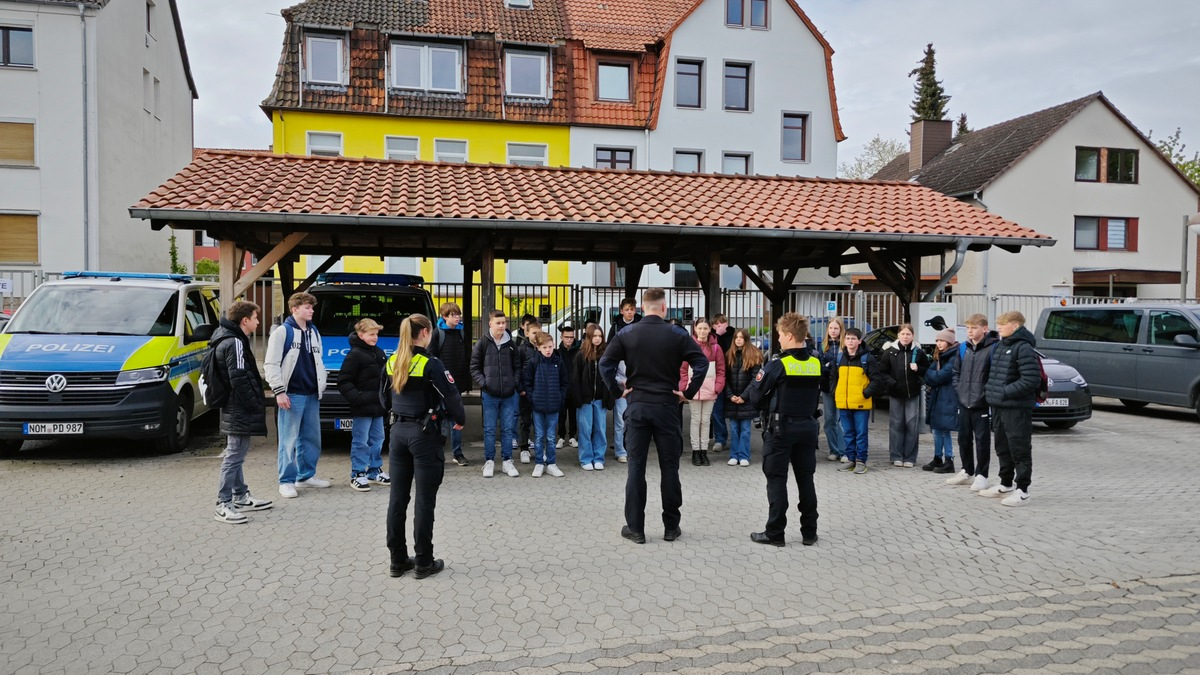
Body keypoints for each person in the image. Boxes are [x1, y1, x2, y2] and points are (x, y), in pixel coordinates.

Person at [600, 288, 708, 545]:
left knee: (636, 469)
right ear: (664, 308)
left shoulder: (626, 333)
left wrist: (619, 391)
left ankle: (636, 529)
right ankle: (671, 527)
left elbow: (605, 364)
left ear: (641, 308)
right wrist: (688, 392)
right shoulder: (677, 334)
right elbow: (701, 363)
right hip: (667, 407)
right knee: (670, 468)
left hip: (637, 407)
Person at [381, 314, 466, 579]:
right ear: (427, 332)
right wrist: (459, 421)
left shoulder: (392, 360)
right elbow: (451, 396)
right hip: (423, 434)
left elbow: (383, 398)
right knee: (424, 500)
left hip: (397, 434)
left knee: (398, 498)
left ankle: (397, 561)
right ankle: (423, 562)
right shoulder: (431, 363)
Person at [740, 313, 823, 546]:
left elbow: (755, 396)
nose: (778, 340)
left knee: (776, 479)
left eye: (779, 335)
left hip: (781, 429)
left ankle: (775, 533)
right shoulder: (815, 362)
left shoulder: (778, 364)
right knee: (806, 479)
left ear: (788, 335)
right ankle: (809, 532)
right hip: (807, 427)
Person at [211, 301, 273, 524]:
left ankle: (240, 496)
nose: (258, 321)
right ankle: (223, 503)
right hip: (238, 406)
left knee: (236, 452)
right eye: (256, 318)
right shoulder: (235, 342)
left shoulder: (226, 336)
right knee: (234, 454)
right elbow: (238, 376)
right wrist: (253, 403)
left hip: (234, 405)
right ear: (245, 320)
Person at [265, 292, 329, 499]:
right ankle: (286, 481)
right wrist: (279, 391)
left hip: (312, 393)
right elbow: (271, 363)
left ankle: (305, 476)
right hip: (292, 394)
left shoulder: (314, 331)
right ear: (294, 309)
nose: (311, 310)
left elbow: (319, 361)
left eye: (312, 307)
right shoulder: (283, 332)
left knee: (311, 438)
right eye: (307, 307)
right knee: (289, 440)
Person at [981, 311, 1039, 506]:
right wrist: (990, 391)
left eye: (1002, 324)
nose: (998, 327)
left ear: (1015, 326)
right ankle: (1005, 483)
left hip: (1016, 408)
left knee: (1019, 447)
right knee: (1002, 446)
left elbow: (1031, 380)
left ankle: (1023, 490)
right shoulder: (998, 346)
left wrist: (1005, 392)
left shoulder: (1023, 348)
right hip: (998, 406)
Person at [948, 314, 999, 490]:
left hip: (981, 403)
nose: (970, 331)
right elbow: (956, 372)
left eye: (974, 328)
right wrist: (959, 390)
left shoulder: (993, 348)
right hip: (964, 401)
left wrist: (986, 395)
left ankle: (982, 475)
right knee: (963, 439)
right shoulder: (963, 348)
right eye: (968, 328)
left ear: (984, 329)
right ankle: (966, 470)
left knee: (982, 440)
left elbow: (995, 375)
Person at [338, 318, 390, 491]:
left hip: (378, 406)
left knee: (378, 438)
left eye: (376, 334)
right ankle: (358, 473)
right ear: (361, 335)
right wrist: (357, 399)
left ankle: (374, 470)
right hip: (362, 408)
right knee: (361, 441)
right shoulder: (354, 355)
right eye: (371, 334)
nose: (375, 337)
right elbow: (344, 381)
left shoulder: (379, 352)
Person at [470, 310, 523, 478]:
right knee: (490, 429)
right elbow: (474, 367)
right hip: (489, 394)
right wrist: (484, 383)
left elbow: (517, 366)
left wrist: (513, 383)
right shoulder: (482, 343)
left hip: (508, 394)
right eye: (498, 323)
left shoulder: (511, 344)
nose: (501, 326)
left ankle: (507, 461)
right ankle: (489, 461)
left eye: (504, 323)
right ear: (490, 323)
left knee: (508, 429)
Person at [830, 328, 882, 474]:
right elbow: (833, 377)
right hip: (844, 402)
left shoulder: (867, 358)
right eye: (848, 338)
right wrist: (836, 392)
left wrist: (865, 394)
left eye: (853, 339)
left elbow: (877, 380)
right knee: (848, 433)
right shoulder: (840, 358)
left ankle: (861, 461)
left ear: (859, 341)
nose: (850, 341)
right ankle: (851, 459)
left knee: (861, 433)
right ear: (844, 340)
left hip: (860, 403)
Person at [878, 324, 929, 468]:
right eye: (903, 334)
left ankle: (910, 457)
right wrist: (892, 383)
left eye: (908, 334)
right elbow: (882, 371)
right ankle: (896, 455)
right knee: (896, 424)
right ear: (898, 335)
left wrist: (918, 368)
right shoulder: (890, 352)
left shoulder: (918, 353)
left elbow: (927, 369)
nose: (905, 337)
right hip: (896, 393)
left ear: (912, 336)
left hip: (912, 393)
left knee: (911, 425)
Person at [428, 301, 471, 467]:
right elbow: (432, 357)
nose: (457, 317)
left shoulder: (461, 333)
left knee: (456, 419)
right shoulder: (437, 333)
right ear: (444, 316)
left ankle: (457, 453)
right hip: (441, 384)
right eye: (454, 315)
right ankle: (438, 452)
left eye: (458, 314)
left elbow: (466, 356)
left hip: (456, 384)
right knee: (440, 418)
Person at [679, 317, 725, 467]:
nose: (703, 331)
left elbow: (721, 370)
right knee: (695, 420)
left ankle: (704, 451)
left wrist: (717, 388)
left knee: (706, 421)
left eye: (705, 328)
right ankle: (695, 451)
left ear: (710, 329)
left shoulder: (716, 348)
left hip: (710, 389)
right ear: (695, 329)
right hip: (694, 389)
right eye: (700, 328)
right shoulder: (689, 346)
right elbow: (683, 370)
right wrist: (685, 388)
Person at [524, 332, 569, 477]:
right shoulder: (534, 362)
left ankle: (551, 463)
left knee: (550, 437)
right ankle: (538, 463)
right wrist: (533, 398)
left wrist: (560, 397)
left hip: (553, 406)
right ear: (538, 348)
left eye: (550, 346)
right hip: (538, 406)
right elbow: (528, 382)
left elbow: (564, 382)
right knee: (538, 436)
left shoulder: (558, 361)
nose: (548, 350)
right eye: (545, 347)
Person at [573, 323, 615, 470]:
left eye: (600, 336)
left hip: (600, 399)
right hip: (585, 399)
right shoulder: (581, 355)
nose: (597, 339)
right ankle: (585, 459)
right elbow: (575, 379)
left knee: (600, 429)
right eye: (594, 336)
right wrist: (578, 399)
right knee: (585, 429)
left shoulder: (606, 355)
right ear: (589, 337)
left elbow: (610, 377)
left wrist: (609, 397)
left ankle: (599, 458)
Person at [722, 328, 763, 467]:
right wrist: (730, 395)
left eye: (741, 337)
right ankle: (734, 455)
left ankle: (744, 455)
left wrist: (744, 396)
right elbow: (724, 378)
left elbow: (755, 379)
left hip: (747, 399)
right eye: (736, 337)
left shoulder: (754, 355)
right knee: (734, 428)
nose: (738, 339)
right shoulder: (729, 355)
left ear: (746, 339)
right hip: (732, 399)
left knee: (745, 429)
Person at [923, 328, 960, 475]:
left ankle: (949, 460)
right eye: (937, 340)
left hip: (948, 397)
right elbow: (928, 375)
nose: (939, 343)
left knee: (944, 430)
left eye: (942, 340)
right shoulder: (940, 356)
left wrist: (933, 375)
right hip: (938, 396)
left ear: (949, 342)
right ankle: (937, 457)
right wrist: (933, 375)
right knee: (936, 429)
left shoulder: (954, 356)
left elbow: (941, 376)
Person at [817, 318, 848, 463]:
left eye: (836, 328)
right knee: (829, 420)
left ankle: (844, 451)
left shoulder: (846, 346)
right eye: (831, 328)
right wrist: (830, 366)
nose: (833, 331)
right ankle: (833, 450)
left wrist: (831, 365)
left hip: (842, 387)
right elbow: (821, 366)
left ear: (841, 329)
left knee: (840, 420)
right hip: (827, 387)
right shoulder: (823, 346)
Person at [515, 318, 542, 462]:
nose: (536, 335)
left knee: (540, 422)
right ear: (527, 333)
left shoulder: (544, 348)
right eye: (533, 333)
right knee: (525, 421)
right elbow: (517, 370)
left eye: (539, 332)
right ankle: (524, 448)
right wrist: (520, 389)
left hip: (540, 392)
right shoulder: (521, 350)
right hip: (526, 392)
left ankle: (539, 448)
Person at [710, 314, 735, 453]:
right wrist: (717, 336)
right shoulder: (712, 338)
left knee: (734, 410)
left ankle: (736, 440)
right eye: (717, 324)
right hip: (717, 378)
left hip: (733, 378)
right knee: (717, 410)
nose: (721, 325)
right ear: (713, 326)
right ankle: (720, 439)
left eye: (723, 322)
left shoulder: (735, 335)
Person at [555, 325, 580, 450]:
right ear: (561, 337)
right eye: (566, 337)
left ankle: (572, 436)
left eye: (571, 337)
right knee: (561, 413)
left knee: (573, 413)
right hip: (561, 388)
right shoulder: (557, 352)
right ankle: (561, 436)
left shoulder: (578, 351)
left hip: (575, 387)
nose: (569, 340)